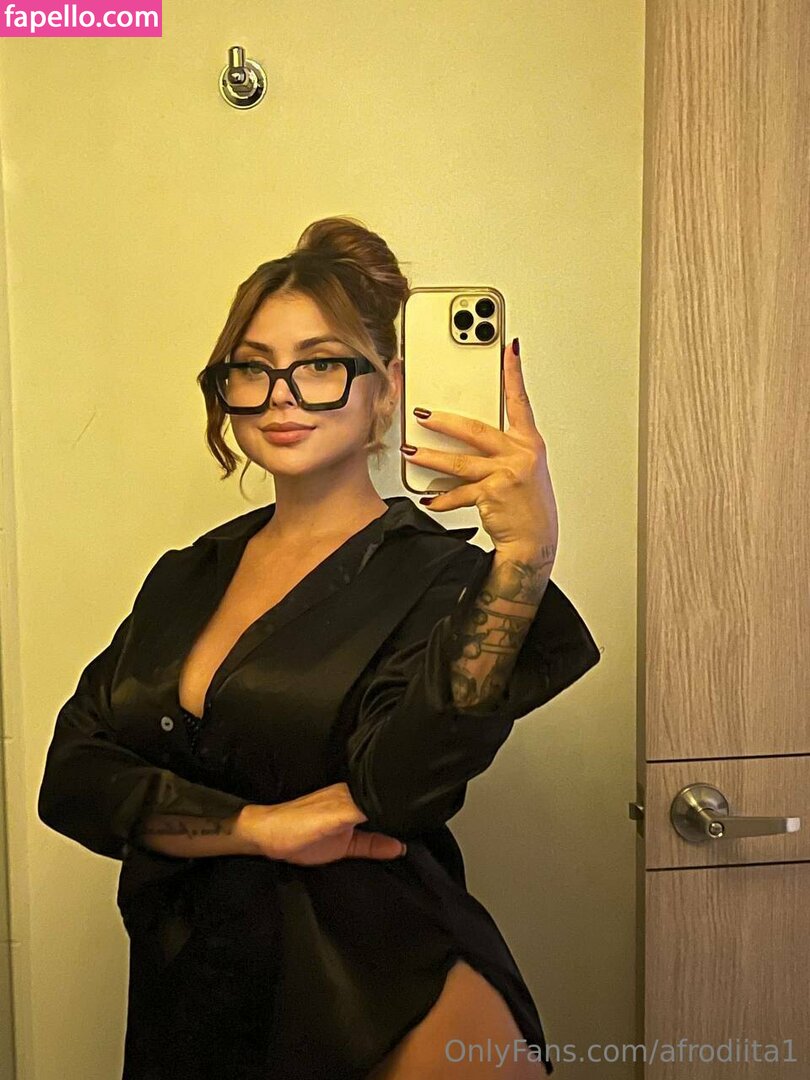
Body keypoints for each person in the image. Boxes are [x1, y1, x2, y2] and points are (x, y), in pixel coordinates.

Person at [38, 216, 601, 1079]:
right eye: (252, 367)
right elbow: (73, 779)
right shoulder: (186, 576)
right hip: (192, 988)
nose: (281, 395)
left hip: (375, 986)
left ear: (387, 389)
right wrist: (257, 827)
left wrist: (525, 556)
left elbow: (400, 790)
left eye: (321, 364)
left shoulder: (443, 579)